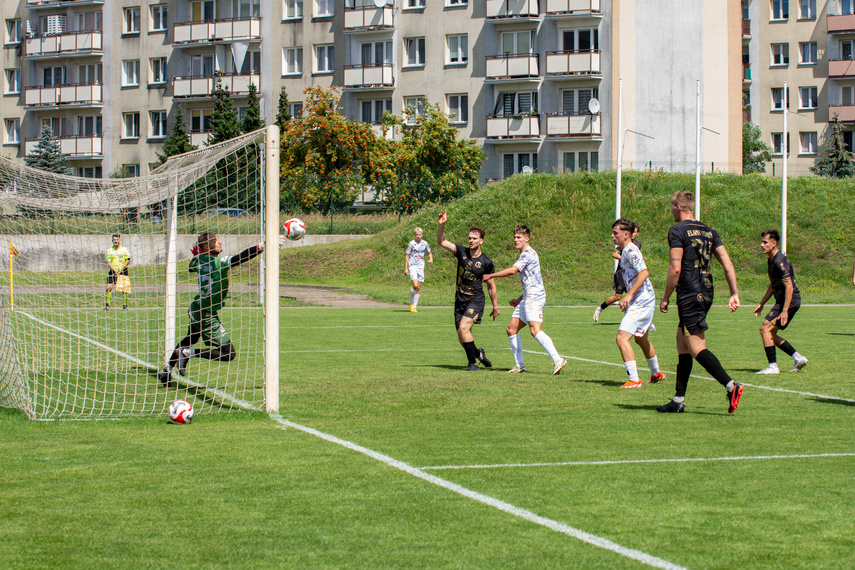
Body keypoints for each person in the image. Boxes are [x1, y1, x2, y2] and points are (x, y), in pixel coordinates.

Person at [658, 190, 744, 414]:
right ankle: (678, 400)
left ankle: (731, 385)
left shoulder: (677, 231)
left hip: (689, 292)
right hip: (706, 290)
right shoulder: (708, 231)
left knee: (696, 346)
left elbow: (675, 268)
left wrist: (666, 297)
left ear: (678, 206)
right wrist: (734, 292)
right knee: (682, 343)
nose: (671, 210)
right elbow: (727, 263)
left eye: (671, 206)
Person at [159, 233, 266, 383]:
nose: (220, 242)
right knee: (229, 353)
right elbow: (240, 258)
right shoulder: (218, 263)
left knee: (191, 338)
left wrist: (197, 255)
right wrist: (261, 247)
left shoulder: (199, 261)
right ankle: (188, 353)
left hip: (196, 308)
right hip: (207, 314)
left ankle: (167, 370)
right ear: (205, 246)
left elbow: (191, 267)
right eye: (216, 241)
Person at [482, 225, 567, 375]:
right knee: (511, 329)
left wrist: (491, 275)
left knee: (535, 330)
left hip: (534, 297)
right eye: (514, 237)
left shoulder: (527, 253)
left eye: (519, 237)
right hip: (528, 296)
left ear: (527, 239)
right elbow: (532, 279)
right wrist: (520, 298)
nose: (515, 240)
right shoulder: (525, 254)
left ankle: (557, 359)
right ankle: (519, 366)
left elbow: (513, 270)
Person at [436, 210, 499, 371]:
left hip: (475, 300)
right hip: (460, 300)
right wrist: (441, 225)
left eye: (474, 238)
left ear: (481, 241)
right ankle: (479, 354)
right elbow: (441, 242)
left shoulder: (486, 262)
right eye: (469, 238)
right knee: (461, 337)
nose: (471, 241)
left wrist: (495, 306)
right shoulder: (461, 252)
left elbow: (491, 285)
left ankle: (472, 365)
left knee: (464, 328)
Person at [611, 218, 664, 388]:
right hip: (642, 300)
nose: (612, 237)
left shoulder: (631, 251)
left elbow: (644, 273)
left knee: (621, 338)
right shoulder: (626, 250)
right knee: (641, 339)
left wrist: (628, 296)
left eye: (615, 233)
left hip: (642, 300)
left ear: (626, 234)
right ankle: (656, 373)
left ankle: (634, 379)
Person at [753, 229, 809, 374]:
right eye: (761, 242)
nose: (762, 245)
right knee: (770, 333)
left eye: (765, 242)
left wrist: (784, 310)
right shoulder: (771, 260)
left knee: (764, 328)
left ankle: (773, 366)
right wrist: (762, 303)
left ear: (774, 243)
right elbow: (773, 285)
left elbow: (789, 286)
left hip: (789, 300)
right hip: (785, 300)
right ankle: (798, 358)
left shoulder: (779, 261)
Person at [594, 225, 640, 323]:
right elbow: (615, 254)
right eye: (632, 232)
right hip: (620, 274)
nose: (633, 234)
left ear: (637, 234)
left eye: (635, 232)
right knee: (618, 297)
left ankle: (630, 318)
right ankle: (599, 309)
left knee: (633, 295)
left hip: (631, 274)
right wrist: (625, 259)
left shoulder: (637, 245)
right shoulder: (623, 245)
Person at [404, 227, 433, 313]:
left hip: (421, 266)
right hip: (412, 266)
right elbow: (407, 255)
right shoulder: (411, 244)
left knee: (418, 287)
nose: (418, 236)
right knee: (415, 285)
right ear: (415, 235)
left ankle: (414, 307)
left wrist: (430, 259)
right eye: (417, 235)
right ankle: (410, 303)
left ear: (422, 235)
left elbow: (429, 252)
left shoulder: (425, 243)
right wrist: (406, 268)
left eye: (420, 234)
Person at [105, 234, 130, 310]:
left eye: (117, 239)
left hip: (123, 271)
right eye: (114, 240)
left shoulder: (124, 250)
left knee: (124, 289)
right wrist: (114, 270)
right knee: (108, 287)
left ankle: (125, 305)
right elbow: (109, 262)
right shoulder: (109, 251)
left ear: (119, 240)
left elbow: (128, 259)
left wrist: (122, 268)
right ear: (112, 241)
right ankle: (107, 305)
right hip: (113, 271)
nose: (115, 241)